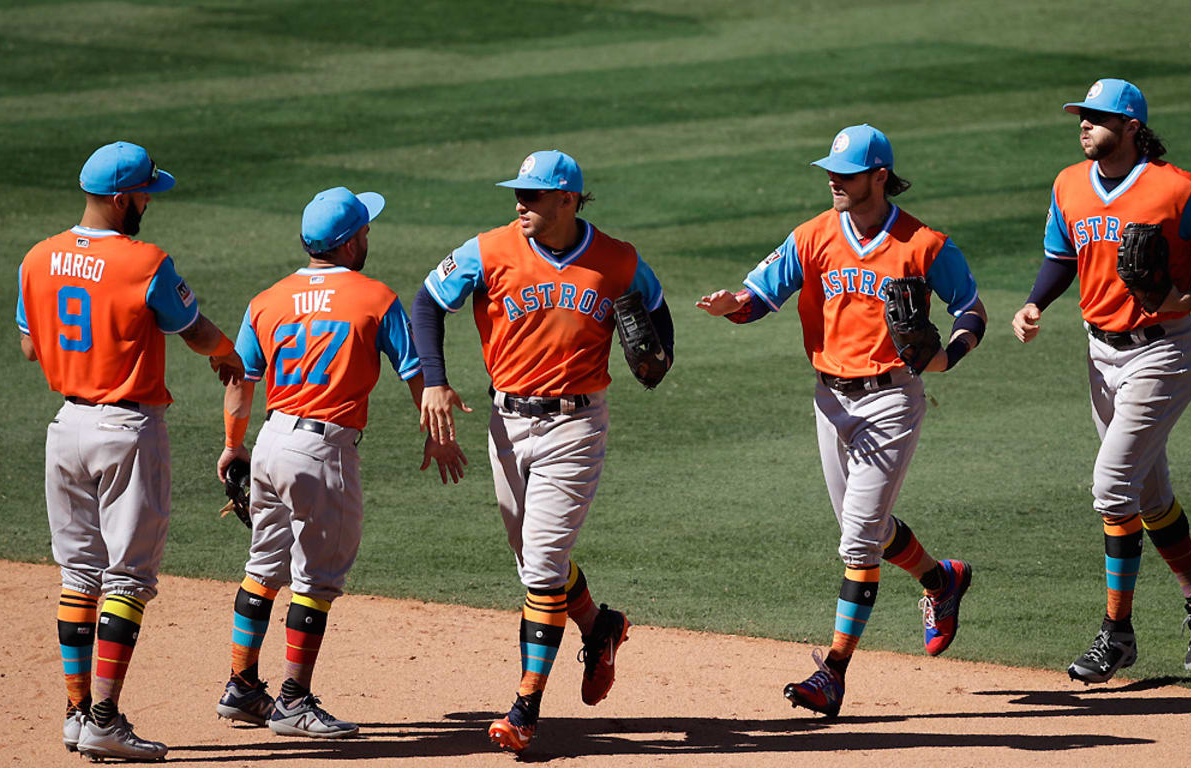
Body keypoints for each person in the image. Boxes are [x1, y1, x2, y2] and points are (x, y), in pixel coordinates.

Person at [697, 124, 986, 718]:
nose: (834, 179)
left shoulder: (924, 244)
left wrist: (948, 355)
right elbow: (760, 296)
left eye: (846, 173)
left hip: (892, 399)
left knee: (857, 537)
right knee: (871, 532)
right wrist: (733, 309)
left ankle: (833, 672)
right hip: (830, 400)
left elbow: (971, 309)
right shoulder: (812, 237)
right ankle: (940, 580)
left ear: (879, 176)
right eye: (830, 170)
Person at [410, 150, 674, 753]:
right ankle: (600, 626)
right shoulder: (487, 250)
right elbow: (427, 301)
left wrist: (655, 360)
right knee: (532, 559)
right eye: (518, 193)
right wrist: (433, 378)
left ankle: (526, 707)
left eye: (532, 195)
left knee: (543, 561)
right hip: (505, 422)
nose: (520, 203)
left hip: (576, 426)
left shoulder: (618, 260)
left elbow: (659, 328)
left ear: (568, 200)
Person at [1013, 79, 1191, 683]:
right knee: (1147, 496)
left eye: (1096, 117)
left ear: (1131, 126)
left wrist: (1189, 295)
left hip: (1163, 355)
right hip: (1100, 354)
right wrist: (1036, 303)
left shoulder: (1179, 189)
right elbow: (1061, 257)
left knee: (1111, 487)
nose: (1083, 124)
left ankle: (1115, 633)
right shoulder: (1069, 183)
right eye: (1081, 116)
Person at [16, 141, 244, 761]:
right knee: (128, 577)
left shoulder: (36, 258)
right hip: (127, 430)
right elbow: (193, 330)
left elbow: (32, 349)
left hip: (65, 427)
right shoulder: (144, 260)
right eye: (145, 192)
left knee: (78, 574)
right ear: (121, 198)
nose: (148, 201)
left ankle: (74, 713)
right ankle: (106, 720)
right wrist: (228, 352)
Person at [209, 186, 465, 739]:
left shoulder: (267, 299)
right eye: (365, 230)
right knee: (317, 580)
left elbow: (240, 382)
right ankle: (293, 700)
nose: (370, 236)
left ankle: (241, 685)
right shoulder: (375, 298)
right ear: (349, 244)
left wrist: (234, 445)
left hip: (272, 443)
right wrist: (437, 434)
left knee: (264, 568)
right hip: (322, 451)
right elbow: (416, 373)